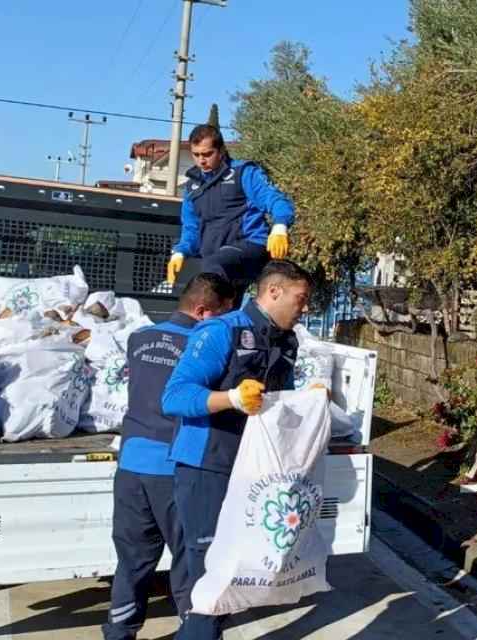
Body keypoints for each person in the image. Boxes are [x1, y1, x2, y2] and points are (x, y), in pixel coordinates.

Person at [162, 260, 312, 640]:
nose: (305, 307)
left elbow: (281, 402)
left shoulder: (287, 341)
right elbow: (175, 396)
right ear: (273, 292)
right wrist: (230, 397)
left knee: (238, 576)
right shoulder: (220, 332)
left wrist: (309, 402)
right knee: (212, 575)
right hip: (207, 466)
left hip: (253, 471)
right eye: (301, 298)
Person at [101, 273, 236, 640]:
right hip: (174, 467)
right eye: (224, 314)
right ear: (204, 311)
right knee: (189, 561)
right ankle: (192, 629)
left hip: (130, 465)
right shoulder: (203, 344)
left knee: (132, 561)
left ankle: (119, 632)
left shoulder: (138, 338)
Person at [166, 124, 295, 298]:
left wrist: (280, 226)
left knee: (212, 276)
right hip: (216, 260)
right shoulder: (193, 187)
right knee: (204, 288)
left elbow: (275, 199)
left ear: (221, 150)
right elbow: (191, 228)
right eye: (196, 155)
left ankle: (215, 318)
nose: (201, 160)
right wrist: (180, 251)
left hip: (250, 248)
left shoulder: (243, 173)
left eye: (207, 154)